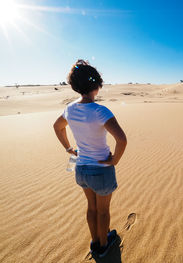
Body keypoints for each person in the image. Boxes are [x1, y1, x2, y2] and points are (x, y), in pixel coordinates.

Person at [53, 59, 127, 258]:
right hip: (101, 170)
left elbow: (57, 127)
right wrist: (115, 161)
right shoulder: (100, 111)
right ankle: (103, 246)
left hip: (81, 169)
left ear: (75, 86)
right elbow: (121, 139)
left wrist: (70, 149)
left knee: (91, 207)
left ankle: (95, 241)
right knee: (103, 211)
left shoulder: (69, 109)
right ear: (96, 85)